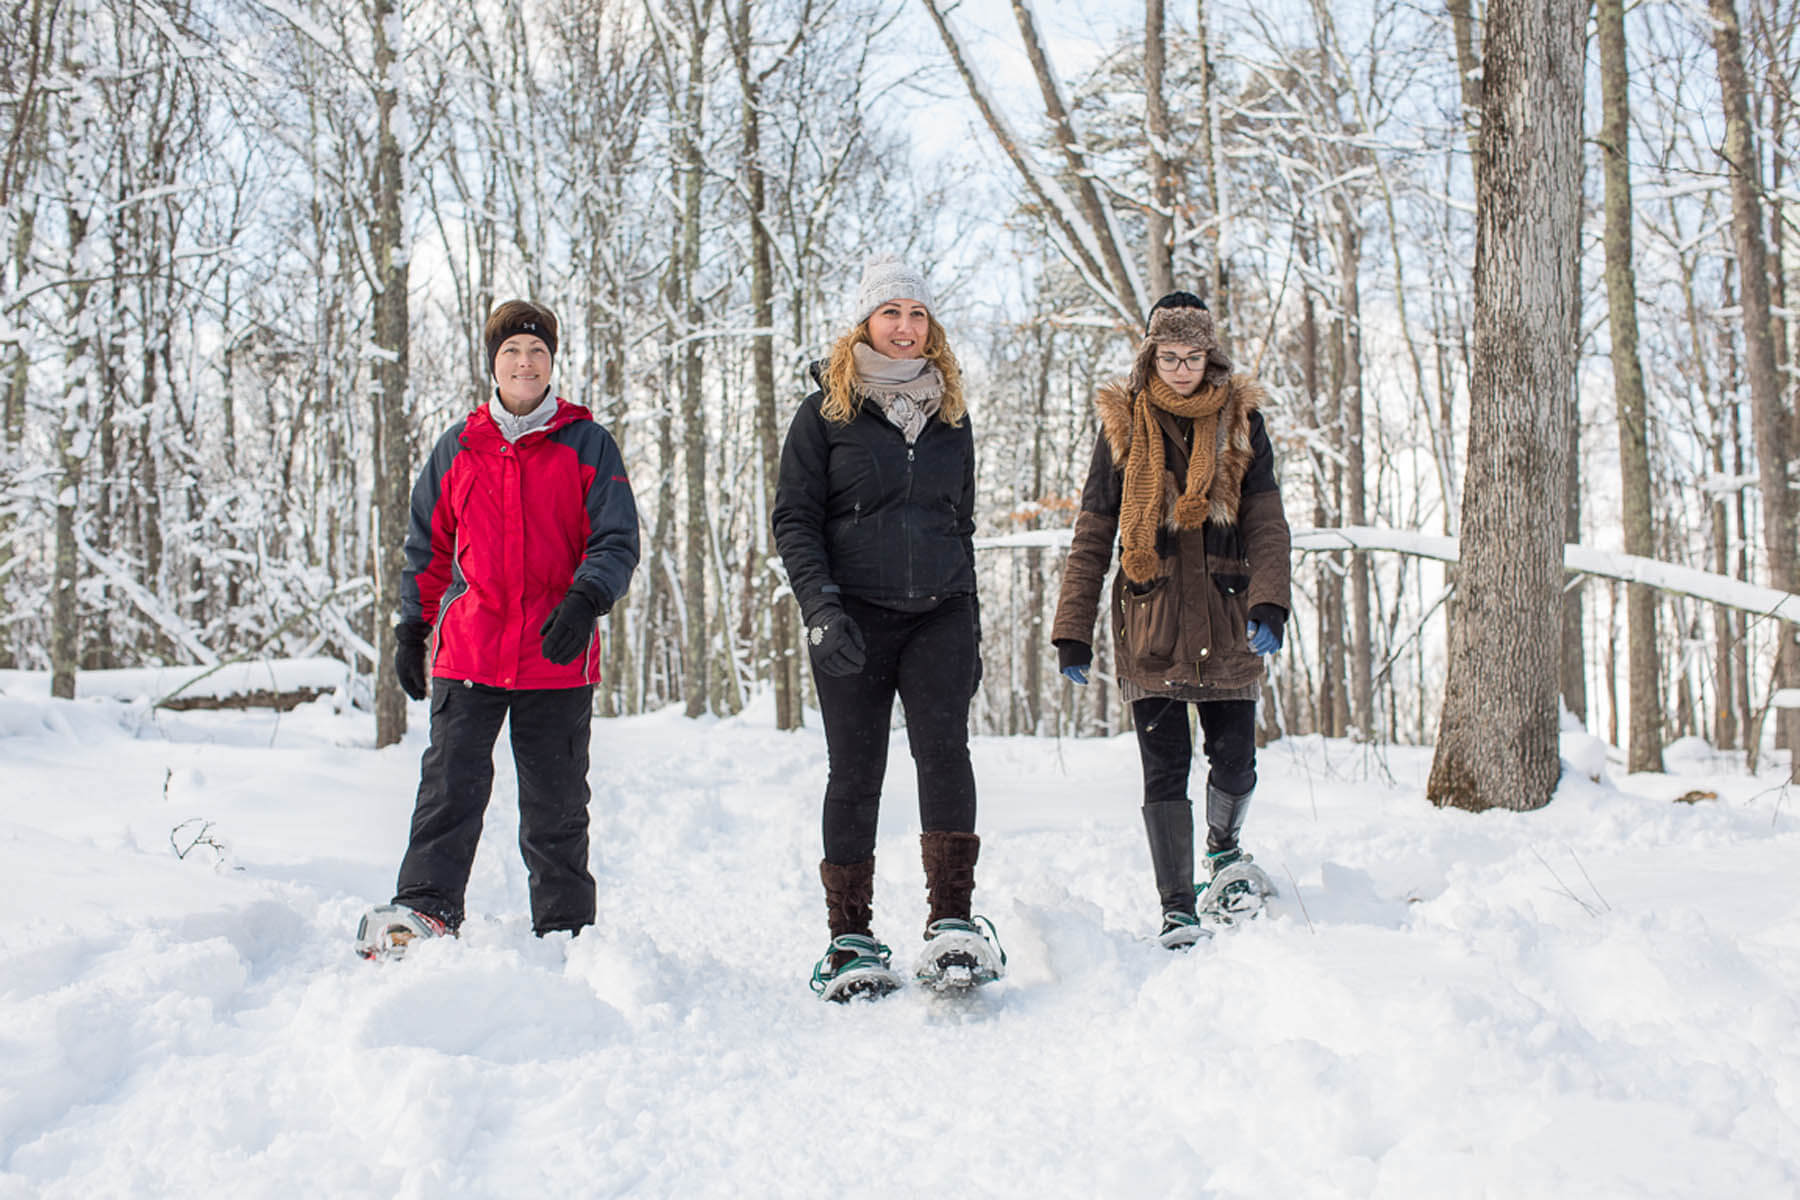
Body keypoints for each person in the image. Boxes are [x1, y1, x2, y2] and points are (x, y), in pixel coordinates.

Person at [355, 300, 641, 960]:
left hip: (556, 654)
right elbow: (426, 548)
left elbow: (616, 539)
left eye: (537, 352)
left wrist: (584, 599)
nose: (525, 362)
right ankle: (425, 909)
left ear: (552, 363)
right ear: (493, 362)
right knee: (449, 791)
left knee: (557, 808)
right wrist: (411, 627)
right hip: (472, 652)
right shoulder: (460, 446)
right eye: (512, 350)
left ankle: (565, 931)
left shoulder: (586, 443)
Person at [771, 255, 1003, 1001]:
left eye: (917, 315)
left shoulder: (952, 416)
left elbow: (960, 523)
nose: (905, 328)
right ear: (864, 323)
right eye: (890, 313)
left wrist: (971, 620)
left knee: (944, 756)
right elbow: (795, 520)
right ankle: (850, 937)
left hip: (941, 613)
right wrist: (821, 607)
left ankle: (953, 926)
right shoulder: (825, 415)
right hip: (853, 618)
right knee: (856, 771)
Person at [1050, 291, 1292, 950]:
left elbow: (1265, 521)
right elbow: (1095, 527)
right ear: (1151, 354)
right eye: (1169, 355)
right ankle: (1176, 905)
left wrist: (1271, 598)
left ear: (1209, 354)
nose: (1181, 368)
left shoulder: (1241, 421)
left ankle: (1222, 850)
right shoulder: (1125, 426)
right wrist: (1072, 624)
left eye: (1193, 355)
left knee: (1235, 762)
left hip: (1226, 614)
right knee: (1164, 767)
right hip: (1151, 618)